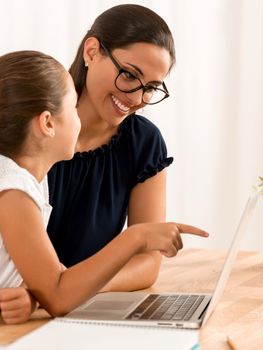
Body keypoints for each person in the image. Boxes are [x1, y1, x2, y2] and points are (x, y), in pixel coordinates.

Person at [0, 50, 207, 344]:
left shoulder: (22, 180)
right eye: (73, 108)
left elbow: (43, 277)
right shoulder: (10, 191)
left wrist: (31, 295)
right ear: (47, 123)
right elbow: (60, 294)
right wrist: (136, 237)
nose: (80, 117)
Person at [47, 4, 178, 292]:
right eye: (130, 75)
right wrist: (50, 291)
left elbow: (148, 263)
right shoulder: (35, 126)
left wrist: (73, 288)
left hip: (79, 307)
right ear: (91, 52)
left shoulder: (143, 143)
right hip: (9, 306)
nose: (137, 98)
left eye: (151, 87)